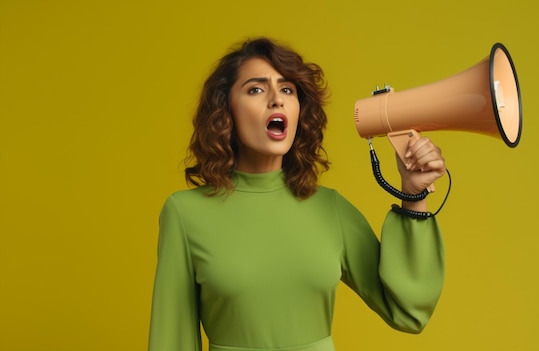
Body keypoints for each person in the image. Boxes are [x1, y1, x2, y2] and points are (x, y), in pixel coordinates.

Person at [148, 37, 447, 351]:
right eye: (256, 89)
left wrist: (414, 194)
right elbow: (172, 339)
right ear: (226, 111)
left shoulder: (330, 208)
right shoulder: (185, 213)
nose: (276, 100)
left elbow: (408, 311)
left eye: (287, 89)